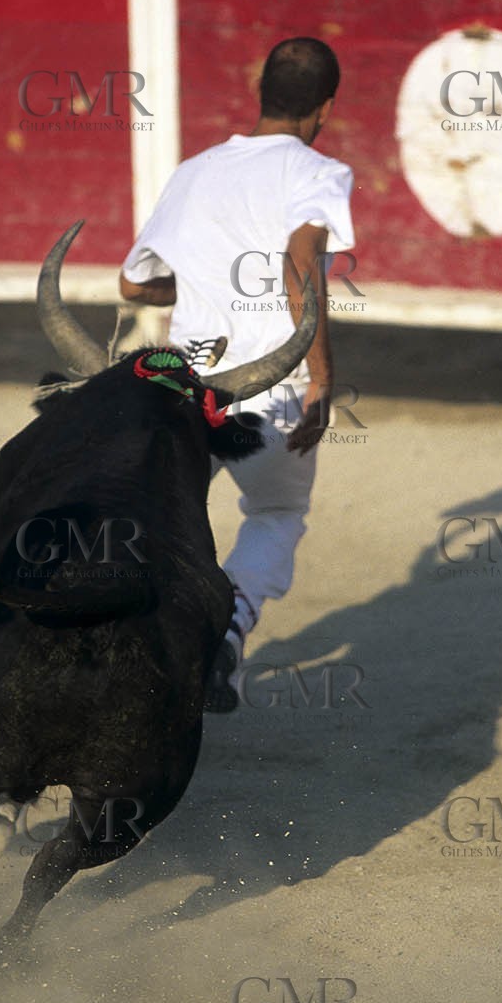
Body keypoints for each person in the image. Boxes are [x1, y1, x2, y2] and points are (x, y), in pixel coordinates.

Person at [119, 36, 355, 711]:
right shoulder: (318, 171)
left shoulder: (194, 170)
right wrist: (320, 377)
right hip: (265, 390)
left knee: (154, 515)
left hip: (180, 386)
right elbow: (299, 264)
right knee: (276, 510)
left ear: (261, 93)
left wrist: (194, 288)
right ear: (325, 109)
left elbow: (135, 287)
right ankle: (223, 635)